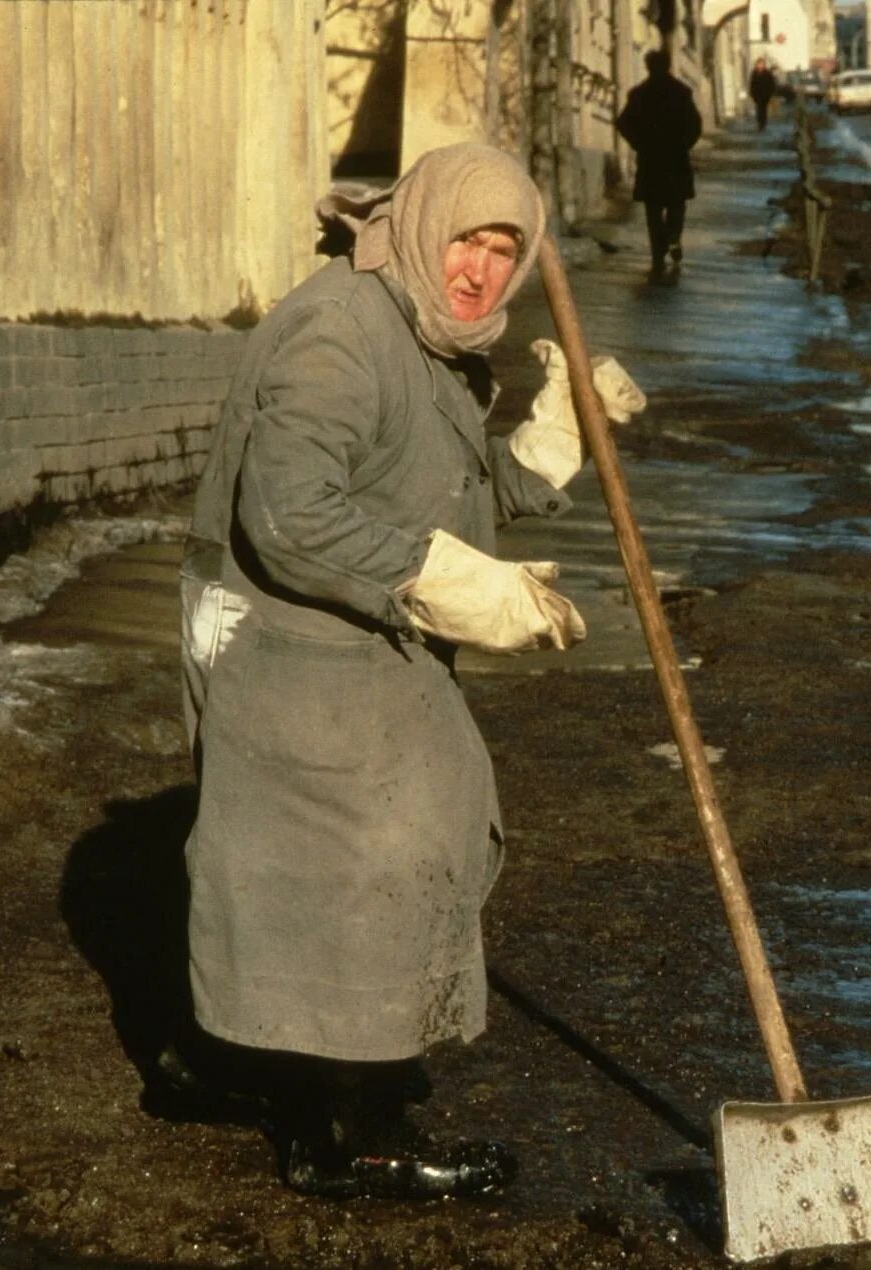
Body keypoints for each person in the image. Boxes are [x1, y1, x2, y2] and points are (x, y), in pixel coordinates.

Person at [173, 142, 646, 1201]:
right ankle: (346, 1131)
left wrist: (553, 439)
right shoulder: (340, 338)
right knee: (377, 852)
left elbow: (444, 493)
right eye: (464, 242)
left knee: (380, 844)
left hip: (343, 625)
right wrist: (435, 582)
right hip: (289, 635)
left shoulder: (424, 332)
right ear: (422, 226)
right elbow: (289, 515)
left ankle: (266, 1064)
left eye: (501, 251)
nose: (479, 270)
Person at [617, 49, 704, 282]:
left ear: (648, 67)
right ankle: (674, 237)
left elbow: (623, 123)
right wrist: (684, 144)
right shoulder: (680, 93)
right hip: (675, 158)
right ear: (668, 66)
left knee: (653, 211)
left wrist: (638, 143)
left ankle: (658, 256)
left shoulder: (639, 95)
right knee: (677, 205)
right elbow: (695, 125)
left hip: (651, 159)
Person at [749, 58, 779, 131]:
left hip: (765, 95)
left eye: (761, 64)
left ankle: (763, 124)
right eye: (759, 64)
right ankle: (760, 124)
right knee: (759, 110)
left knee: (763, 110)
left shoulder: (767, 73)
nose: (760, 66)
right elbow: (752, 84)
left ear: (764, 65)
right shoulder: (754, 73)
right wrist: (752, 93)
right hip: (757, 95)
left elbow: (772, 84)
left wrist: (770, 93)